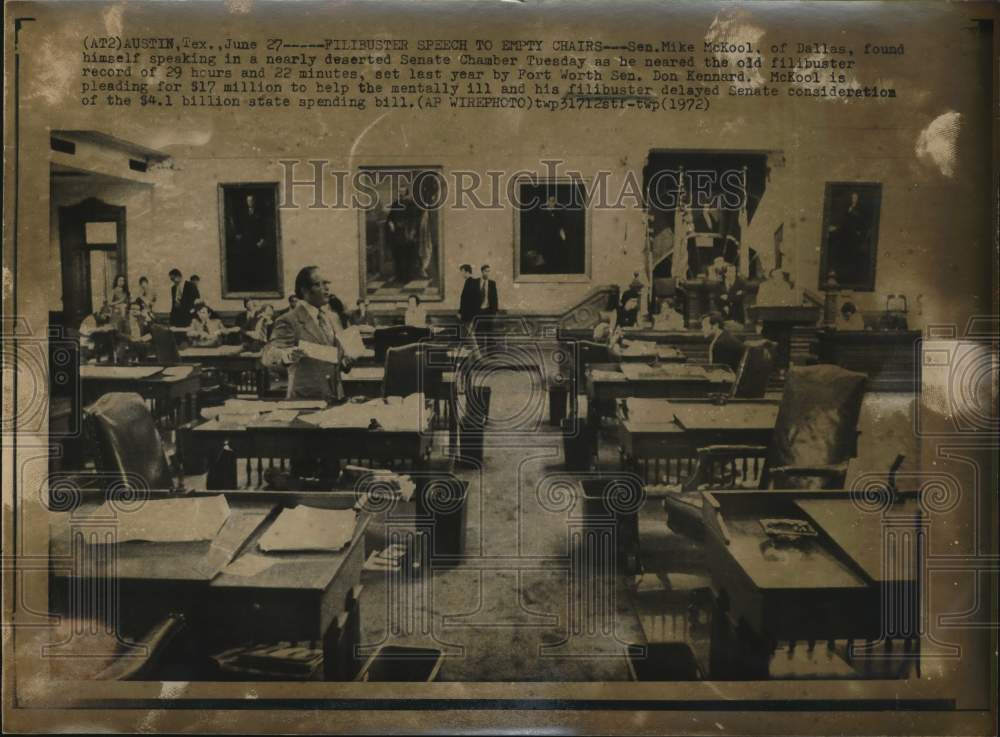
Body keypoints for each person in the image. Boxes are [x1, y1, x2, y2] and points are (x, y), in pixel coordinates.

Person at [263, 266, 354, 401]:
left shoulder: (333, 317)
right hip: (306, 399)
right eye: (319, 284)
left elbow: (337, 357)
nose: (326, 288)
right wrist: (288, 355)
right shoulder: (289, 320)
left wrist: (346, 360)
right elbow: (268, 357)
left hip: (336, 397)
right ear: (304, 290)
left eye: (326, 283)